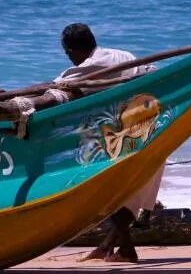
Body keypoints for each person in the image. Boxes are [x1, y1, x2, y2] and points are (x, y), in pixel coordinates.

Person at [56, 23, 162, 263]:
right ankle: (107, 247)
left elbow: (56, 88)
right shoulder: (123, 55)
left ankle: (126, 250)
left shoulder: (91, 67)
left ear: (72, 50)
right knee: (127, 192)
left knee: (107, 189)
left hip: (127, 134)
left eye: (67, 53)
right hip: (153, 127)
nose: (69, 58)